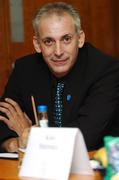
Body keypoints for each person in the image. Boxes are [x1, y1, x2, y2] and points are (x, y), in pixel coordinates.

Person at [0, 1, 119, 153]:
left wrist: (33, 135)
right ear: (37, 44)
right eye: (48, 41)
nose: (58, 51)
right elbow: (3, 122)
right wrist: (14, 143)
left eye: (66, 39)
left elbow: (84, 138)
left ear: (80, 39)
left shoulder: (106, 70)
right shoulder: (24, 69)